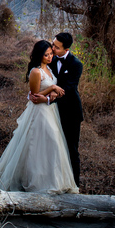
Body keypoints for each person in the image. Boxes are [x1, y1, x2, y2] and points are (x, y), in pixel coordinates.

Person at [0, 40, 79, 194]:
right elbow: (34, 95)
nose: (50, 57)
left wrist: (53, 93)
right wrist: (51, 87)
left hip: (51, 111)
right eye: (46, 55)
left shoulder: (49, 68)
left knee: (52, 144)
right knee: (39, 143)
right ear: (39, 55)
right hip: (39, 112)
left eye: (51, 54)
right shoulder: (36, 72)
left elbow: (51, 92)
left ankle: (54, 180)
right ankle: (35, 181)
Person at [40, 32, 83, 186]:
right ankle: (56, 181)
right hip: (51, 111)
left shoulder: (76, 64)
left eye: (57, 47)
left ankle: (75, 185)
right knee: (53, 146)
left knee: (71, 149)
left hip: (71, 112)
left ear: (66, 49)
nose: (53, 48)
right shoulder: (49, 59)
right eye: (53, 44)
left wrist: (52, 93)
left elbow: (69, 87)